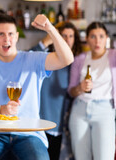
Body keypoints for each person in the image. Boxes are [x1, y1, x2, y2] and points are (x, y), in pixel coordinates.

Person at [0, 14, 74, 160]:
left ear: (17, 36)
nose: (6, 39)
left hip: (29, 133)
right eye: (1, 34)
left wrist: (50, 29)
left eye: (10, 34)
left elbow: (67, 59)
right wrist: (3, 110)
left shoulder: (34, 59)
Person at [67, 22, 116, 160]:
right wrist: (80, 88)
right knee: (81, 157)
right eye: (93, 36)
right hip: (79, 110)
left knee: (105, 157)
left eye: (101, 36)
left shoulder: (114, 55)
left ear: (106, 38)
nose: (97, 41)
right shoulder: (79, 60)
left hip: (104, 111)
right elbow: (71, 91)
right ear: (87, 39)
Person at [30, 21, 82, 160]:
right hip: (40, 123)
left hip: (62, 126)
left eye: (71, 36)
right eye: (63, 35)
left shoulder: (77, 63)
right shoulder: (48, 58)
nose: (67, 40)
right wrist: (48, 38)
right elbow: (29, 57)